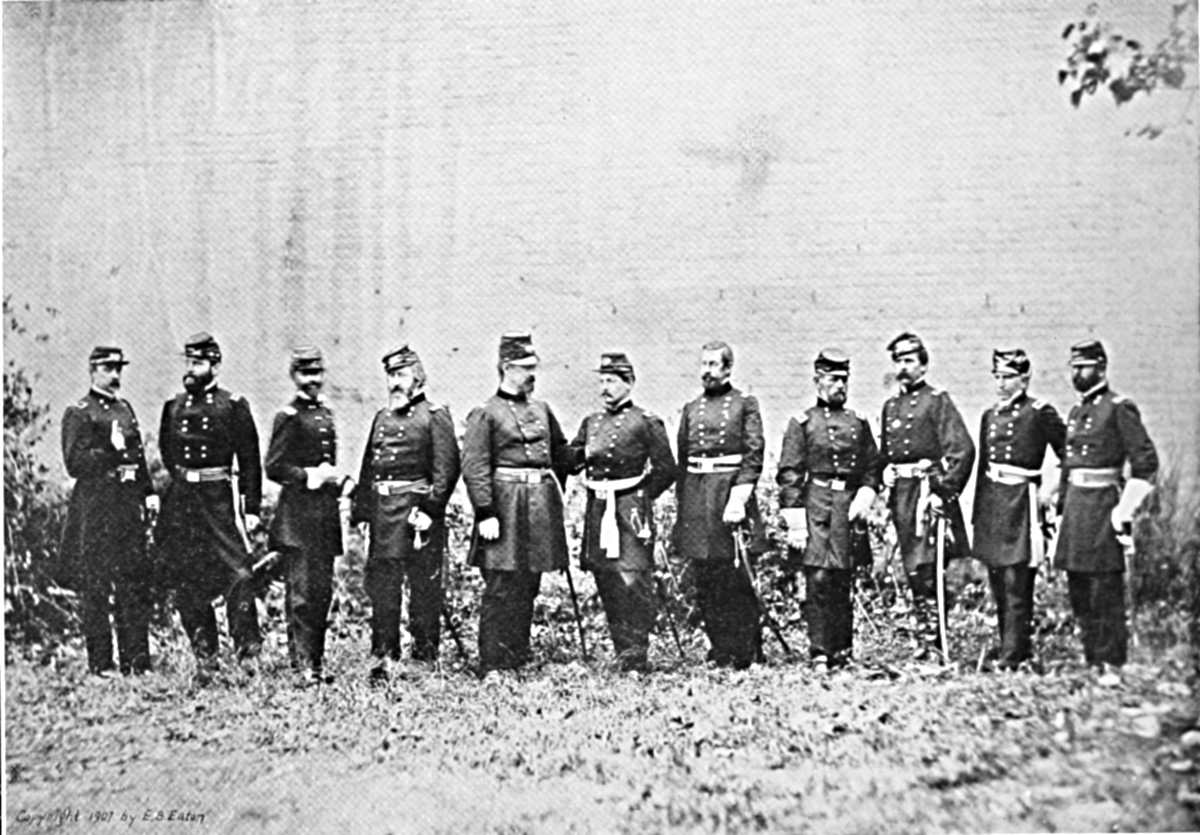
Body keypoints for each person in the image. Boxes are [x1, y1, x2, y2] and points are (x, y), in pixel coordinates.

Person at [461, 331, 570, 675]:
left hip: (537, 509)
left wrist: (594, 451)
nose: (532, 374)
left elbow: (561, 455)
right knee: (501, 585)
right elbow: (475, 466)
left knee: (528, 584)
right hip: (504, 509)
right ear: (507, 367)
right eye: (526, 367)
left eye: (534, 366)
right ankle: (493, 664)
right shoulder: (486, 413)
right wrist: (485, 512)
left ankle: (517, 658)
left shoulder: (542, 410)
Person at [350, 345, 460, 683]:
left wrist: (431, 510)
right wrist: (364, 514)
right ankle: (384, 654)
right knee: (383, 585)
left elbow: (446, 470)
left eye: (401, 375)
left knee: (423, 585)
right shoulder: (381, 418)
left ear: (418, 378)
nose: (395, 383)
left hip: (417, 515)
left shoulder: (434, 416)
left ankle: (424, 657)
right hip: (384, 515)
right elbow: (369, 468)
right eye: (391, 376)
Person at [156, 332, 263, 676]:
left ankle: (248, 653)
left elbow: (250, 460)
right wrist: (186, 481)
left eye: (198, 363)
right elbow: (167, 452)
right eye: (188, 362)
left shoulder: (233, 406)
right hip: (183, 503)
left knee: (240, 574)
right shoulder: (173, 407)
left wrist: (251, 509)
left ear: (215, 366)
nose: (190, 369)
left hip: (219, 501)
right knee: (188, 578)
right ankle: (206, 658)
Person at [566, 352, 675, 672]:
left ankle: (636, 657)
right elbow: (573, 459)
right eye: (602, 380)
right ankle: (622, 652)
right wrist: (570, 455)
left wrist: (640, 498)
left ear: (629, 383)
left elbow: (666, 469)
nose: (605, 387)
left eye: (612, 381)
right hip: (599, 510)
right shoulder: (591, 423)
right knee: (608, 580)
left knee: (633, 582)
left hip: (630, 512)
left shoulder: (646, 422)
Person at [776, 349, 881, 672]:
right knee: (818, 578)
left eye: (844, 380)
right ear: (817, 381)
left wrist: (865, 495)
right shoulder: (803, 423)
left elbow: (873, 466)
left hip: (847, 508)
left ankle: (843, 650)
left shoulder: (858, 422)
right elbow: (790, 473)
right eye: (833, 379)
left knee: (842, 579)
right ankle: (820, 651)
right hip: (816, 506)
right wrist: (796, 522)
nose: (840, 386)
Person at [1055, 339, 1157, 669]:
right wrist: (1060, 508)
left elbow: (1146, 463)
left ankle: (1111, 663)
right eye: (1073, 367)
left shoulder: (1118, 408)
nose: (1077, 374)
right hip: (1076, 508)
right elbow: (1068, 466)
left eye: (1083, 367)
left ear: (1101, 367)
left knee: (1104, 589)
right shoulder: (1076, 412)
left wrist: (1124, 510)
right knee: (1079, 587)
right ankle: (1092, 661)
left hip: (1103, 508)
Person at [59, 346, 157, 677]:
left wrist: (148, 492)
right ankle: (101, 663)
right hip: (96, 509)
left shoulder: (124, 409)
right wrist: (110, 452)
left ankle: (137, 661)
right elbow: (75, 463)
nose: (115, 375)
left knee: (133, 581)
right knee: (97, 585)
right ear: (93, 370)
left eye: (118, 369)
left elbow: (137, 456)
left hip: (127, 506)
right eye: (108, 368)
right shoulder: (79, 412)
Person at [879, 332, 975, 661]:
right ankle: (923, 641)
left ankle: (935, 643)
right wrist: (884, 472)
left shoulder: (937, 401)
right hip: (902, 498)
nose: (902, 368)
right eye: (898, 362)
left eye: (909, 361)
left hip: (928, 495)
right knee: (911, 568)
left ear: (923, 365)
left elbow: (962, 451)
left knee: (928, 566)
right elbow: (884, 455)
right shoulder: (890, 407)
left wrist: (943, 493)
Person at [971, 348, 1065, 671]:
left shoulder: (1039, 412)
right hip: (993, 503)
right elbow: (983, 467)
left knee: (1017, 580)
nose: (1001, 383)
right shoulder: (989, 415)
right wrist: (978, 515)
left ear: (1024, 379)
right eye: (997, 376)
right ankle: (1008, 647)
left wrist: (1049, 492)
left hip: (1021, 502)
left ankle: (1014, 655)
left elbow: (1070, 454)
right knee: (997, 579)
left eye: (1008, 377)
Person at [674, 340, 766, 669]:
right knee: (706, 579)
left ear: (728, 369)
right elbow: (683, 460)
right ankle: (720, 649)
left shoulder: (745, 404)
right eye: (704, 364)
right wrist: (683, 510)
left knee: (736, 576)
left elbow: (753, 456)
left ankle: (748, 651)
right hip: (698, 498)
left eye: (713, 365)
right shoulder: (691, 408)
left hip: (729, 496)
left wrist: (739, 498)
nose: (707, 371)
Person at [264, 346, 352, 686]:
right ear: (294, 376)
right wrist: (308, 476)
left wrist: (339, 481)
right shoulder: (288, 417)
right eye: (305, 374)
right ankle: (301, 665)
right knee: (300, 595)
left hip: (324, 517)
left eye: (317, 373)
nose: (312, 380)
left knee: (321, 592)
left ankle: (316, 662)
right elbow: (274, 466)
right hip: (297, 519)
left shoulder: (325, 414)